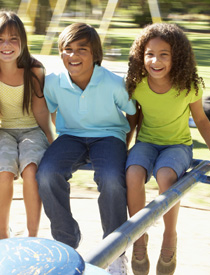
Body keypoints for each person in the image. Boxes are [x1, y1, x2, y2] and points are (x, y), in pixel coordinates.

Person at [125, 23, 210, 275]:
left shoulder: (188, 87)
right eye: (150, 54)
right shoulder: (137, 84)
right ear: (141, 56)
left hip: (178, 145)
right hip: (146, 143)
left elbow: (203, 121)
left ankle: (169, 237)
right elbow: (133, 119)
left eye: (164, 54)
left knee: (165, 176)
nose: (156, 60)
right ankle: (139, 239)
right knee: (132, 174)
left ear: (178, 58)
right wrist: (126, 147)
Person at [36, 23, 136, 274]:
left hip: (109, 136)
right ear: (60, 53)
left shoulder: (113, 82)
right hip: (70, 136)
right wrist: (60, 131)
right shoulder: (53, 82)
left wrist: (126, 142)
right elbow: (49, 108)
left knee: (112, 177)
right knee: (47, 173)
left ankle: (115, 251)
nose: (74, 55)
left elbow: (133, 112)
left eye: (82, 49)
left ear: (95, 54)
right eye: (68, 49)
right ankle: (66, 239)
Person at [0, 10, 53, 240]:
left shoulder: (35, 70)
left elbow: (40, 109)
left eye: (13, 39)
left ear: (23, 42)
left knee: (31, 170)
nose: (6, 45)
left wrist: (50, 138)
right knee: (3, 170)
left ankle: (32, 235)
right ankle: (2, 235)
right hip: (2, 130)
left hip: (32, 129)